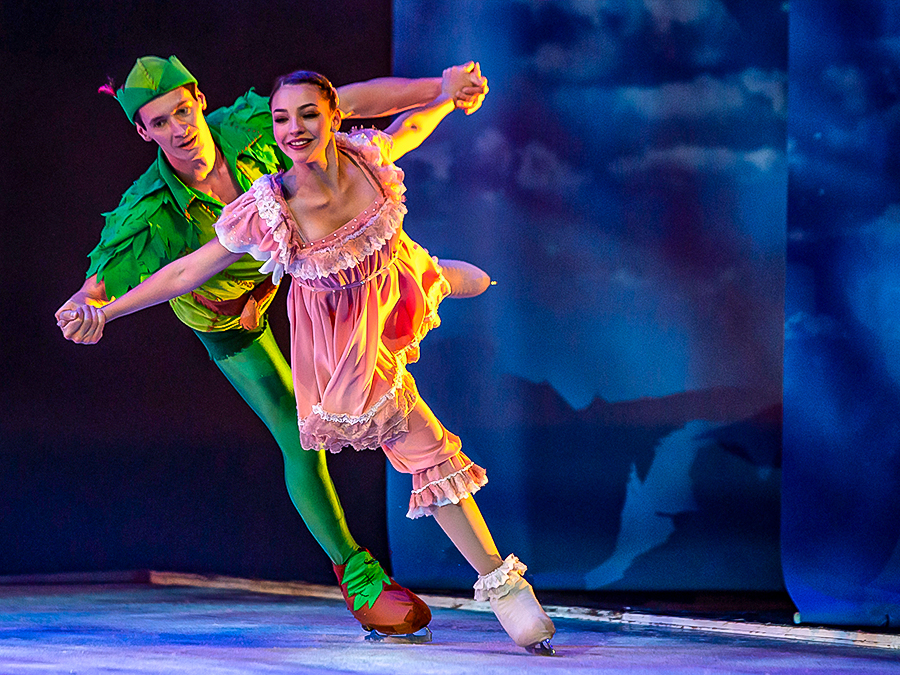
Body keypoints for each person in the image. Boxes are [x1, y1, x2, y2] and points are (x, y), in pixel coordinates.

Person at [60, 66, 556, 655]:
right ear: (145, 132)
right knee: (342, 435)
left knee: (433, 276)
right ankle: (400, 578)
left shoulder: (340, 150)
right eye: (160, 122)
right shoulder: (244, 207)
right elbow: (181, 270)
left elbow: (394, 120)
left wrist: (444, 93)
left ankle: (432, 278)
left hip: (374, 281)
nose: (179, 129)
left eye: (183, 111)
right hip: (264, 319)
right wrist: (99, 308)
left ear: (200, 100)